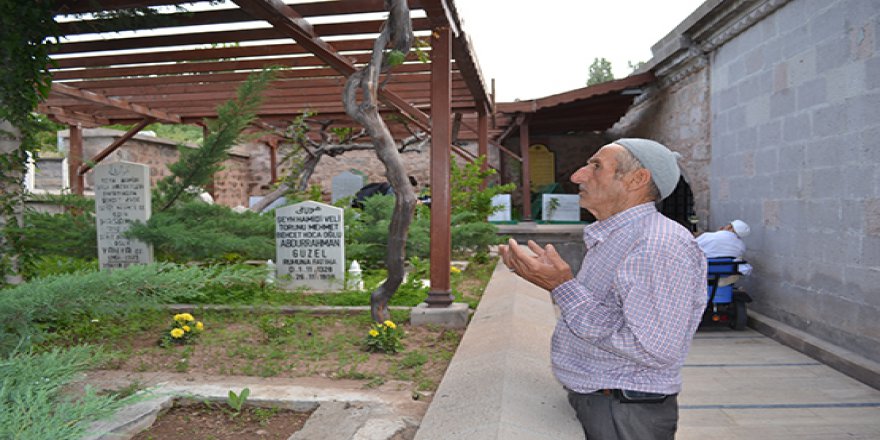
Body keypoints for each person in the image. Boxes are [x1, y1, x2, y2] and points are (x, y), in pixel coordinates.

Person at [499, 138, 707, 440]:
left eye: (596, 166)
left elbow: (654, 348)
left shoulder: (657, 244)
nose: (577, 176)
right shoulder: (620, 236)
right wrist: (552, 282)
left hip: (624, 412)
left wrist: (562, 286)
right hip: (608, 403)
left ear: (637, 180)